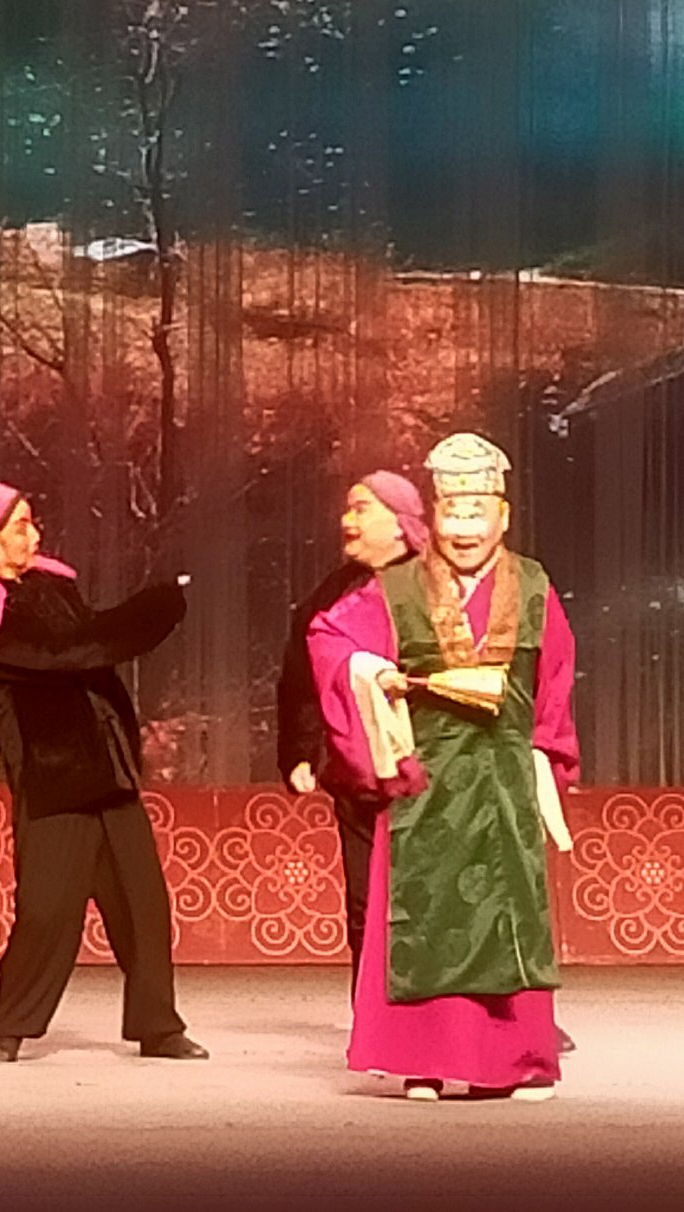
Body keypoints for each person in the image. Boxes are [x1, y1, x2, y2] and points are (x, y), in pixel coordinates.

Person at [308, 432, 580, 1102]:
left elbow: (554, 676)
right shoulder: (396, 587)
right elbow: (329, 639)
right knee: (425, 917)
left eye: (477, 514)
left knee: (504, 920)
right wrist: (368, 671)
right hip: (425, 782)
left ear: (503, 516)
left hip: (504, 780)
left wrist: (546, 752)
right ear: (432, 517)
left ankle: (512, 1062)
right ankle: (423, 1060)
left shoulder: (533, 585)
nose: (464, 531)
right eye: (451, 515)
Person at [0, 483, 204, 1064]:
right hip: (54, 779)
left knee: (143, 905)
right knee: (45, 911)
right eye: (20, 527)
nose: (34, 536)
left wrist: (156, 606)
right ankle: (10, 1027)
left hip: (107, 769)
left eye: (31, 522)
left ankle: (158, 1028)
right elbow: (64, 654)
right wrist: (152, 610)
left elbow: (89, 641)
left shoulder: (53, 587)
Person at [274, 472, 426, 981]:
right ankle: (371, 1011)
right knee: (365, 904)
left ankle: (448, 1012)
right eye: (348, 508)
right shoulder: (335, 593)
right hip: (358, 774)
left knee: (431, 901)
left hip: (429, 772)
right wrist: (300, 749)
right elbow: (302, 675)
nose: (347, 520)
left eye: (361, 508)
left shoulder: (434, 586)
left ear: (401, 523)